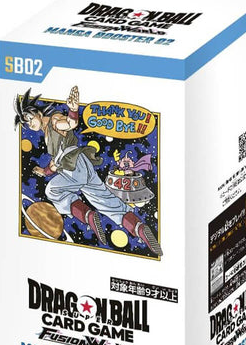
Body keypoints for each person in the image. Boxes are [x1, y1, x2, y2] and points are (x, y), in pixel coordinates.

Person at [14, 86, 162, 256]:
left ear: (38, 113)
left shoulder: (54, 120)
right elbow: (55, 163)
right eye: (26, 123)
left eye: (29, 118)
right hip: (82, 165)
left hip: (74, 167)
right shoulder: (47, 131)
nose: (30, 124)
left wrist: (73, 110)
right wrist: (45, 171)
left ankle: (87, 215)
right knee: (106, 200)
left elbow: (70, 124)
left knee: (52, 190)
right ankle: (139, 228)